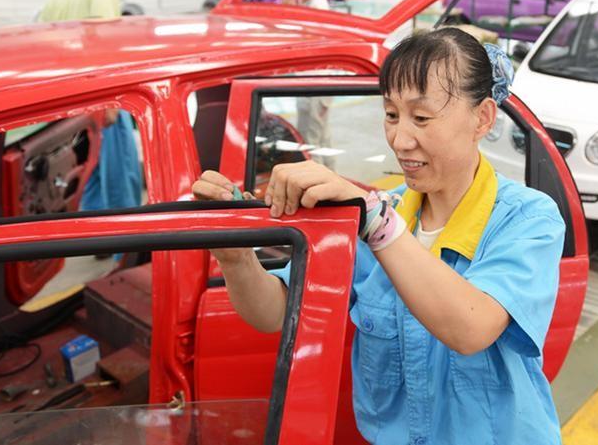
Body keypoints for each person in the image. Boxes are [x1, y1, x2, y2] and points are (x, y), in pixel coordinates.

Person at [192, 28, 565, 444]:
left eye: (421, 118)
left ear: (482, 118)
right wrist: (236, 258)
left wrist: (377, 222)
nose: (400, 140)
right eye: (391, 114)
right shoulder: (374, 216)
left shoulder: (528, 219)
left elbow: (470, 328)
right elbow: (274, 313)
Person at [38, 0, 142, 218]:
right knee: (119, 169)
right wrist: (110, 100)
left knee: (88, 166)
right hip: (102, 93)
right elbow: (103, 41)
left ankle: (97, 231)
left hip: (70, 96)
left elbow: (44, 47)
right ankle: (126, 242)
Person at [283, 0, 334, 167]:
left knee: (310, 143)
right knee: (321, 139)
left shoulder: (317, 5)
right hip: (313, 84)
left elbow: (308, 43)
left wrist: (290, 14)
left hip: (315, 85)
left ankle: (322, 188)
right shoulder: (309, 3)